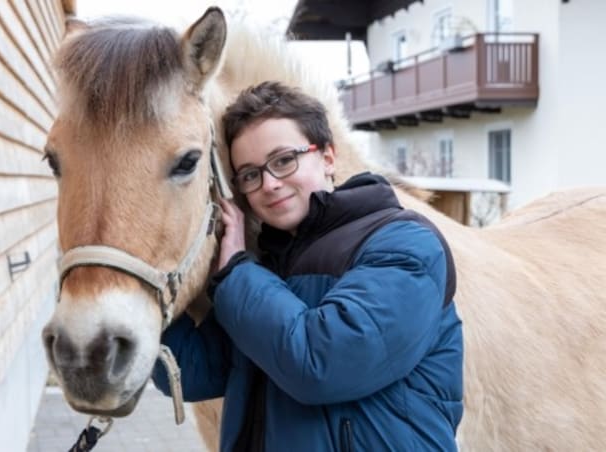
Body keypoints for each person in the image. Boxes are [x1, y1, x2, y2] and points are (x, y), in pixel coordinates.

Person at [152, 81, 463, 452]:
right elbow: (192, 373)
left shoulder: (403, 244)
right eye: (250, 174)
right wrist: (155, 266)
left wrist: (235, 270)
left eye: (284, 160)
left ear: (328, 158)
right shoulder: (268, 268)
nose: (269, 183)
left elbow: (320, 364)